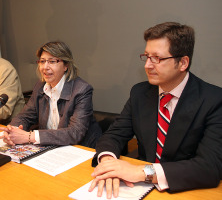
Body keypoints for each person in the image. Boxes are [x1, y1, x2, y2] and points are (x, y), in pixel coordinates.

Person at [89, 22, 222, 198]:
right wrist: (108, 163)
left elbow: (208, 168)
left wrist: (142, 172)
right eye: (146, 57)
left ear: (182, 62)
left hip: (184, 190)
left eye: (157, 58)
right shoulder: (140, 92)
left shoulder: (214, 100)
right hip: (137, 189)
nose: (147, 66)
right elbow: (114, 135)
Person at [0, 41, 102, 148]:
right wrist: (12, 131)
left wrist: (30, 136)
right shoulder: (40, 86)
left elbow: (75, 133)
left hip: (82, 149)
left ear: (66, 66)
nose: (45, 67)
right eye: (42, 61)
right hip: (51, 148)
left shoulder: (82, 90)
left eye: (52, 61)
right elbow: (25, 116)